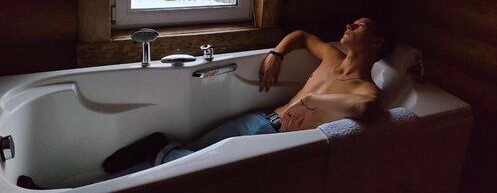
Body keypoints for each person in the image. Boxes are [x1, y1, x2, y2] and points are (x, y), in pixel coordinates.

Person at [103, 17, 394, 175]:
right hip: (260, 119)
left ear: (377, 41)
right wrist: (277, 53)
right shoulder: (332, 56)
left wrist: (312, 100)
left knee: (193, 168)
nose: (349, 25)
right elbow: (302, 36)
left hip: (276, 141)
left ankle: (154, 156)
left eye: (360, 26)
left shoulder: (366, 89)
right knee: (190, 155)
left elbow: (368, 108)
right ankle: (154, 158)